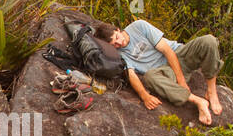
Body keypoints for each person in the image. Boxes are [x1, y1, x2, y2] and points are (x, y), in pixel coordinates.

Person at [92, 18, 224, 125]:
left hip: (179, 55)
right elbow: (131, 75)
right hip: (164, 73)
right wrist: (145, 96)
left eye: (117, 37)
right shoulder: (119, 55)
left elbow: (167, 50)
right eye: (114, 44)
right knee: (149, 77)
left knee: (209, 40)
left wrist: (182, 81)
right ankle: (199, 101)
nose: (119, 43)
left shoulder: (139, 26)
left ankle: (211, 91)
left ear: (118, 30)